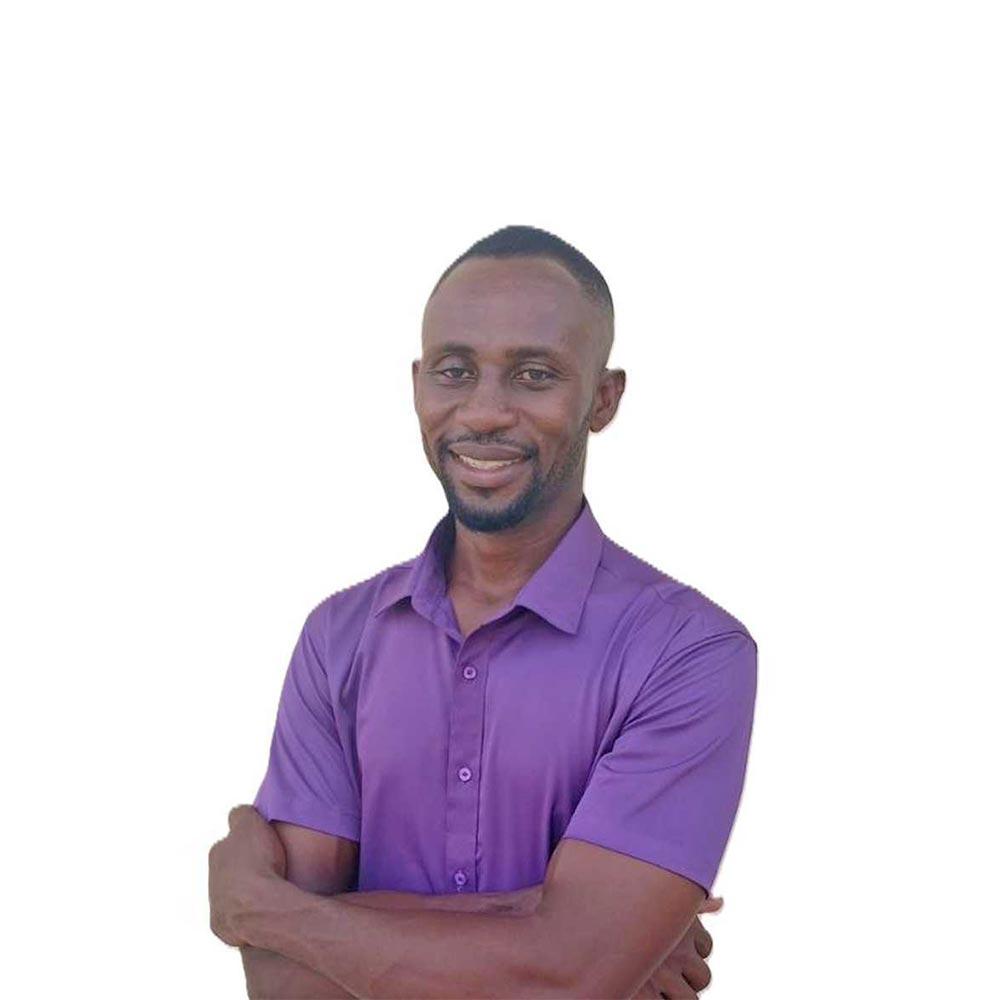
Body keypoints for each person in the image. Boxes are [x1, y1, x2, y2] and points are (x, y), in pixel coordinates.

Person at [208, 224, 758, 998]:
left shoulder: (689, 652)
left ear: (603, 399)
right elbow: (285, 987)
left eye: (534, 375)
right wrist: (535, 920)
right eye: (454, 371)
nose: (486, 410)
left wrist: (264, 910)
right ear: (417, 384)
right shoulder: (337, 638)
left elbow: (568, 980)